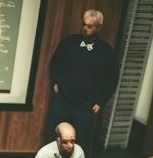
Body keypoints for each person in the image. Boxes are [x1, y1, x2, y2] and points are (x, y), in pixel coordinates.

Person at [46, 9, 117, 147]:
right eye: (83, 24)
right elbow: (55, 63)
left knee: (80, 145)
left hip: (86, 107)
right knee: (52, 138)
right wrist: (55, 82)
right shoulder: (69, 42)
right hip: (63, 101)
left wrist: (100, 102)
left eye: (89, 26)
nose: (85, 28)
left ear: (98, 28)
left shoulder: (106, 51)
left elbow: (112, 79)